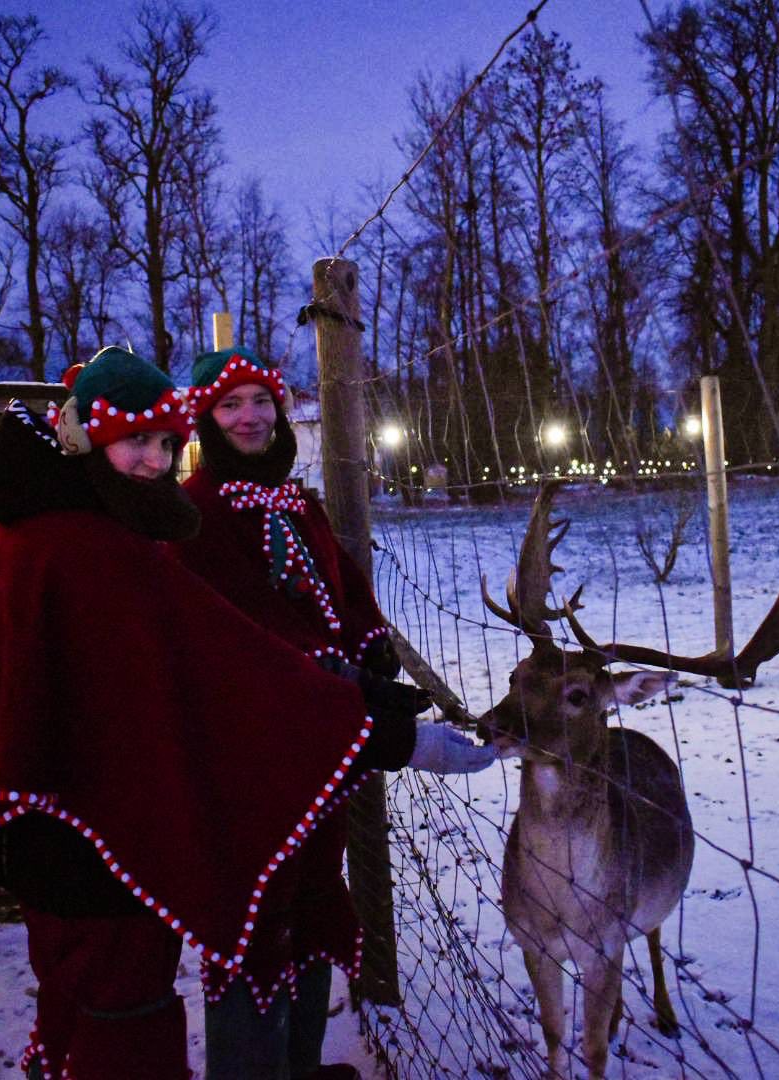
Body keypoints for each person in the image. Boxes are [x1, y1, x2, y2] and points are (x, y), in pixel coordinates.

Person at [0, 347, 436, 1080]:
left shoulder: (42, 526)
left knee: (82, 996)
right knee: (123, 1008)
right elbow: (215, 658)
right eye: (136, 440)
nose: (155, 459)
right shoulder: (84, 547)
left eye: (164, 440)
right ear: (85, 436)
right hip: (89, 825)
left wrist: (358, 675)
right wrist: (371, 724)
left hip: (61, 810)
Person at [176, 346, 495, 1080]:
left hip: (319, 756)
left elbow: (345, 594)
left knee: (316, 902)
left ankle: (300, 1064)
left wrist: (373, 650)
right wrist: (353, 689)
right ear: (206, 417)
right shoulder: (197, 518)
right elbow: (245, 644)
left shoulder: (299, 504)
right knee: (253, 922)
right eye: (231, 405)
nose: (251, 417)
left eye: (262, 401)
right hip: (251, 767)